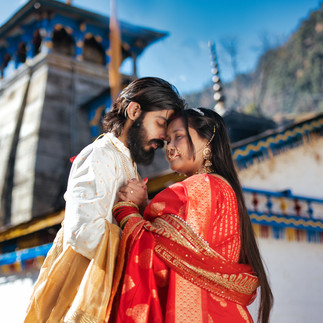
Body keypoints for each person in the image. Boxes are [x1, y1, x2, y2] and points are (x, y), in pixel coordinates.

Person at [24, 77, 185, 323]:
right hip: (81, 292)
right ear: (134, 111)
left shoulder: (127, 163)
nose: (164, 137)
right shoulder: (99, 154)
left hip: (110, 291)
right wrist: (139, 239)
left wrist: (140, 208)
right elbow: (82, 233)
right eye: (160, 122)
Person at [108, 108, 273, 323]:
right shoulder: (224, 188)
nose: (170, 148)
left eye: (179, 137)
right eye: (167, 140)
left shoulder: (198, 187)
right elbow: (186, 251)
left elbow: (162, 254)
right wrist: (144, 207)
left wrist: (127, 211)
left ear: (209, 141)